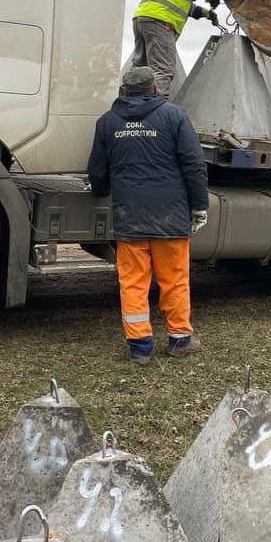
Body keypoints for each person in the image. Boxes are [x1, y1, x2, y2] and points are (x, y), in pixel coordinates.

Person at [87, 65, 210, 365]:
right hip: (171, 217)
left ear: (125, 91)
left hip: (130, 218)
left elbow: (97, 172)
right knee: (175, 280)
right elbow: (194, 165)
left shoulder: (107, 123)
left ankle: (140, 347)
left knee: (133, 282)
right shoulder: (175, 117)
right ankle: (180, 339)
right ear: (154, 88)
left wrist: (100, 190)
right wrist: (199, 205)